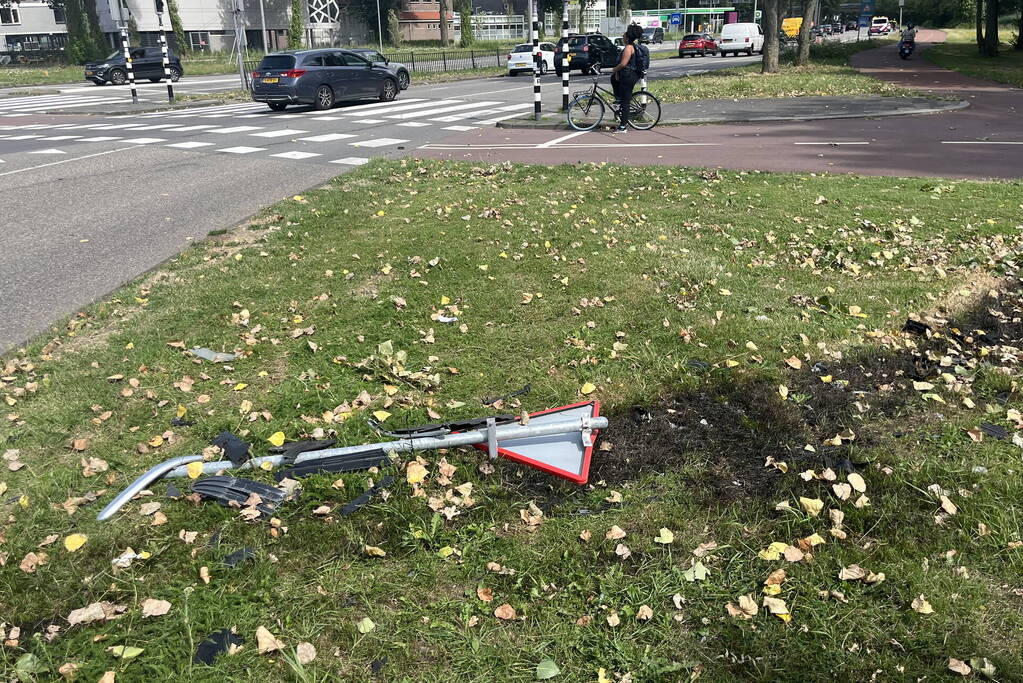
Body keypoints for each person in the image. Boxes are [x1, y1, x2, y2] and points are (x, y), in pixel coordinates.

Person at [610, 24, 645, 133]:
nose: (623, 36)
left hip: (629, 76)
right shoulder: (632, 46)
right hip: (627, 75)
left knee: (626, 102)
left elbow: (623, 63)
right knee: (614, 80)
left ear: (627, 37)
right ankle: (618, 99)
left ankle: (622, 127)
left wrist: (615, 69)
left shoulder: (628, 48)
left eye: (624, 35)